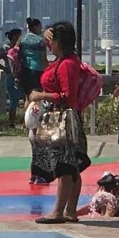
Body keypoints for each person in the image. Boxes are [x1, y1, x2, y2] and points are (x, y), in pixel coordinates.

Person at [27, 20, 91, 224]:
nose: (48, 44)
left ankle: (58, 211)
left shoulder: (67, 64)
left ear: (60, 42)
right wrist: (45, 35)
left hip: (64, 121)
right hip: (63, 119)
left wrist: (41, 96)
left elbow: (67, 96)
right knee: (70, 166)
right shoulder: (62, 61)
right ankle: (70, 210)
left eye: (51, 41)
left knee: (65, 166)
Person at [0, 28, 24, 125]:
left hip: (23, 76)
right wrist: (4, 68)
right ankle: (11, 123)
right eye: (20, 36)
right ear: (15, 37)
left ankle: (25, 122)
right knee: (14, 100)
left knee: (27, 98)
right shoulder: (6, 48)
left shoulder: (22, 47)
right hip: (11, 77)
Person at [17, 17, 48, 97]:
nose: (41, 30)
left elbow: (15, 52)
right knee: (36, 95)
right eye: (40, 27)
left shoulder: (22, 38)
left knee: (27, 96)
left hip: (25, 69)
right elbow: (43, 58)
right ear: (35, 27)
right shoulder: (40, 41)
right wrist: (47, 69)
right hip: (37, 69)